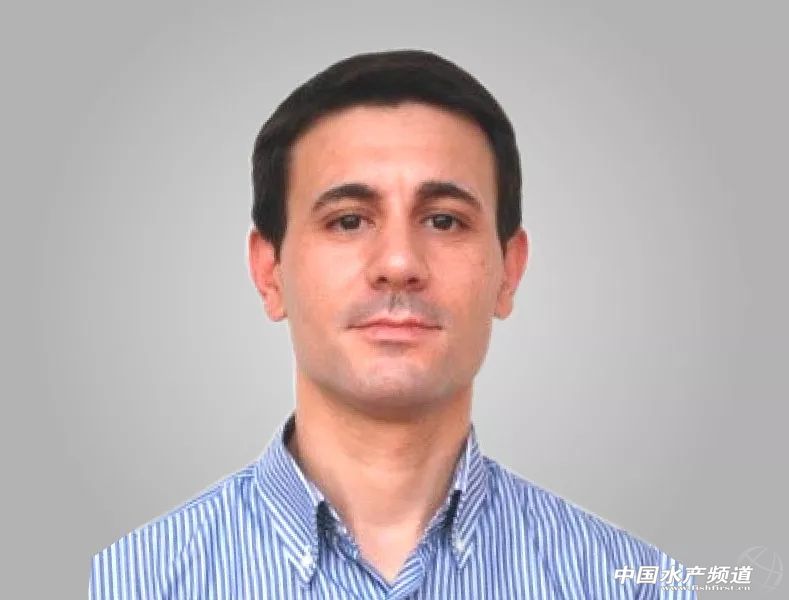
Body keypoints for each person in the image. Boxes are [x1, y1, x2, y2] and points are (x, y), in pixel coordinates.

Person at [90, 49, 696, 599]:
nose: (400, 263)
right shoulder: (128, 583)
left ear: (508, 272)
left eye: (444, 220)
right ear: (269, 272)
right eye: (349, 220)